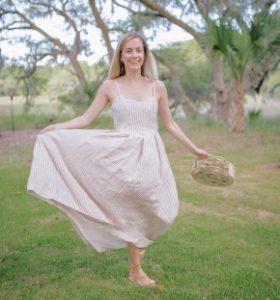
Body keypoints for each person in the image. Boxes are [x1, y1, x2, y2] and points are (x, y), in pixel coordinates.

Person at [27, 32, 209, 288]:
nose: (135, 55)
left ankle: (138, 240)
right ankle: (136, 270)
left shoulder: (157, 86)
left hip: (150, 155)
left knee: (161, 208)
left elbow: (169, 124)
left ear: (145, 54)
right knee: (130, 208)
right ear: (121, 56)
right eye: (129, 51)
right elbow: (85, 119)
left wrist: (195, 149)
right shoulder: (110, 86)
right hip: (119, 155)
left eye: (139, 50)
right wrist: (58, 127)